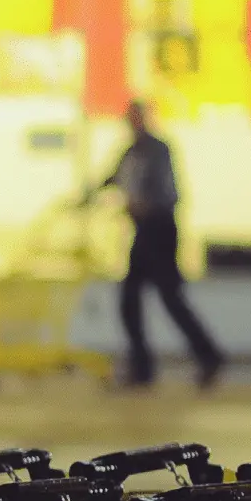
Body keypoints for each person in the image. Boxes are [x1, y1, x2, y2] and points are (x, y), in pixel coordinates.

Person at [91, 99, 222, 388]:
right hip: (144, 232)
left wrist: (142, 205)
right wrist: (86, 197)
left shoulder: (158, 149)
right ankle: (148, 365)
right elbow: (110, 178)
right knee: (133, 299)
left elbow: (168, 192)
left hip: (159, 230)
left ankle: (204, 357)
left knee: (166, 298)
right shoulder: (129, 152)